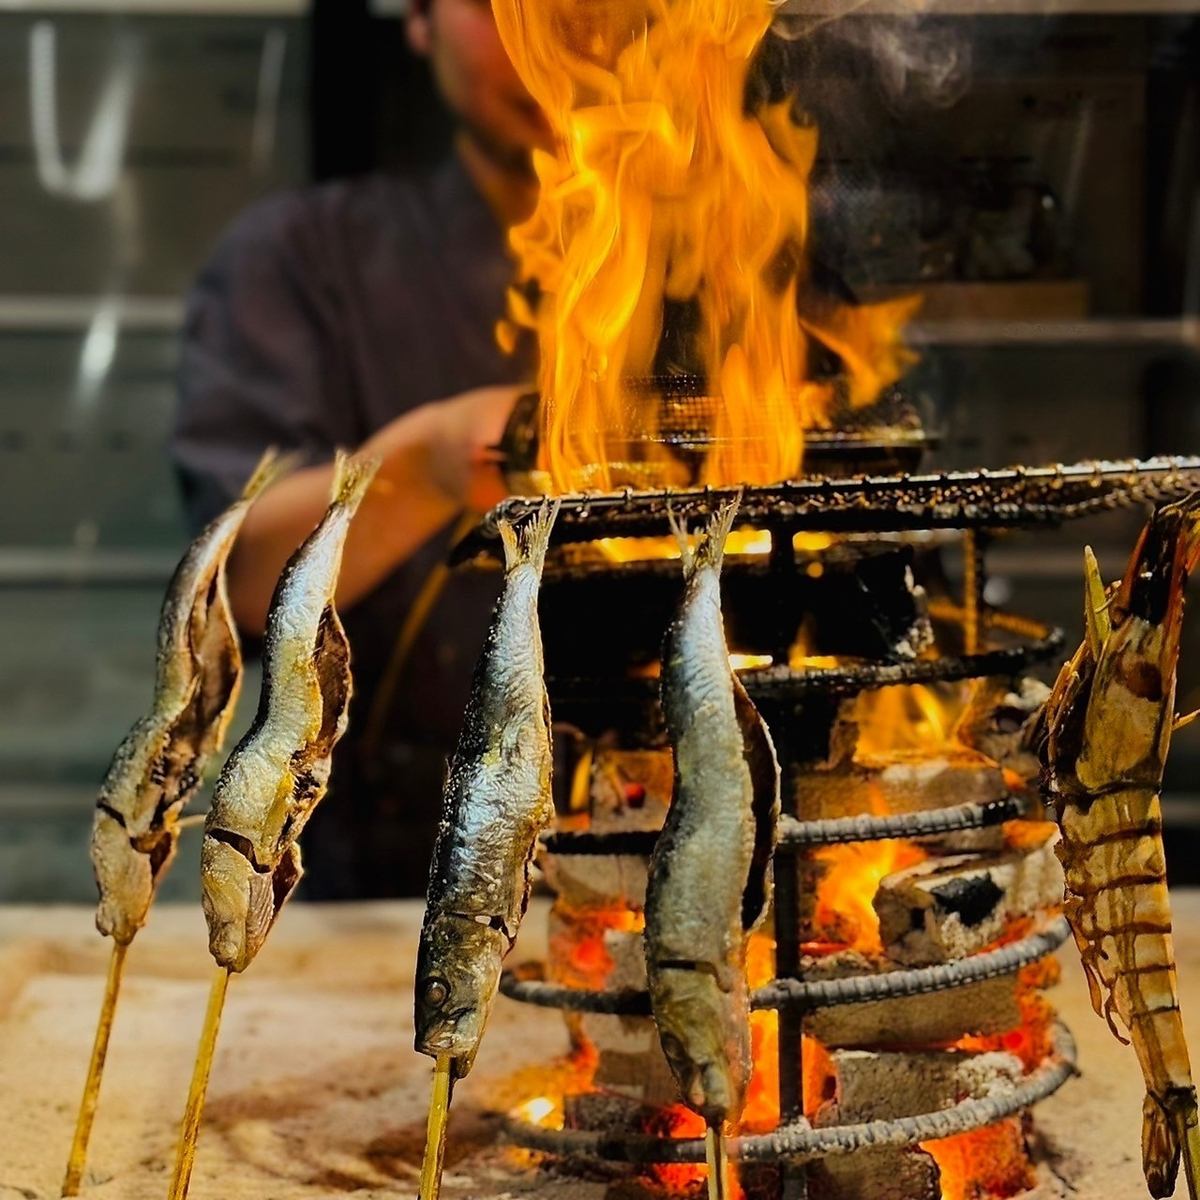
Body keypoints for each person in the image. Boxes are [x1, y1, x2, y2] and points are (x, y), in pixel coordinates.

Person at [172, 0, 552, 898]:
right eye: (503, 9)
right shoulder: (303, 259)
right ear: (418, 20)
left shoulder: (741, 273)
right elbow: (239, 585)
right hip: (390, 888)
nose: (547, 39)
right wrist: (423, 466)